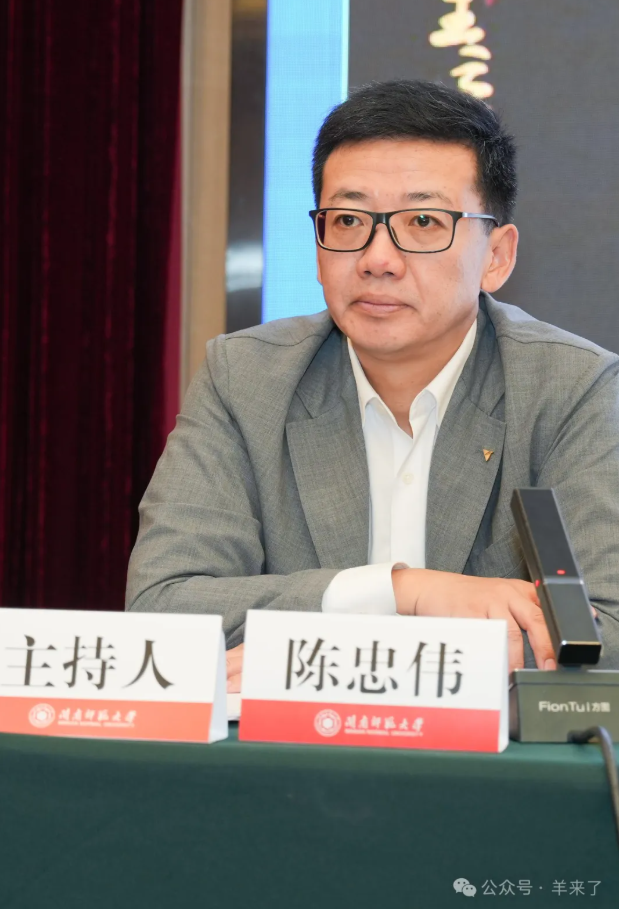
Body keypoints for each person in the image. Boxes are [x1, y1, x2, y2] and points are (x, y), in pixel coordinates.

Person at [126, 80, 619, 692]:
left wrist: (319, 654)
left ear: (496, 255)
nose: (377, 258)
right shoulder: (246, 378)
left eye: (423, 221)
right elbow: (164, 608)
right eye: (348, 220)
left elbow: (605, 633)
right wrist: (400, 592)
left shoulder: (573, 388)